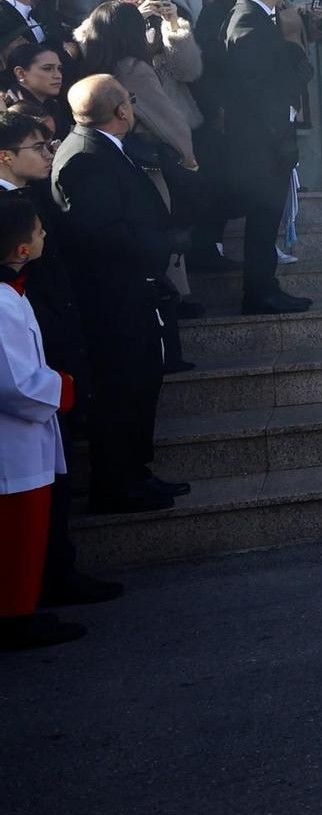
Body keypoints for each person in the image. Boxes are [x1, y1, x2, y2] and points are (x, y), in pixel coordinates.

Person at [50, 76, 185, 512]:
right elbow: (100, 233)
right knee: (120, 390)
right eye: (129, 99)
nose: (131, 105)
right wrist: (161, 244)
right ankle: (116, 484)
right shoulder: (85, 157)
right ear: (122, 111)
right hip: (111, 299)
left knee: (140, 384)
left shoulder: (103, 147)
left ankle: (136, 473)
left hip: (132, 292)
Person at [0, 191, 86, 650]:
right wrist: (65, 387)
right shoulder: (2, 302)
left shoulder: (14, 293)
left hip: (24, 439)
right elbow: (15, 384)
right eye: (38, 230)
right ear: (22, 249)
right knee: (18, 535)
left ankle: (23, 609)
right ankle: (15, 619)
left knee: (30, 531)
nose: (45, 234)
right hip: (12, 445)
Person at [221, 0, 314, 315]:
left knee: (267, 219)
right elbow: (256, 87)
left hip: (265, 138)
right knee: (262, 220)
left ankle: (265, 287)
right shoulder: (248, 20)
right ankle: (259, 291)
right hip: (260, 143)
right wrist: (293, 43)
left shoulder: (254, 17)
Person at [4, 42, 70, 139]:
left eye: (59, 69)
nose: (58, 75)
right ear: (21, 73)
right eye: (47, 68)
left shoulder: (53, 107)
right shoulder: (9, 112)